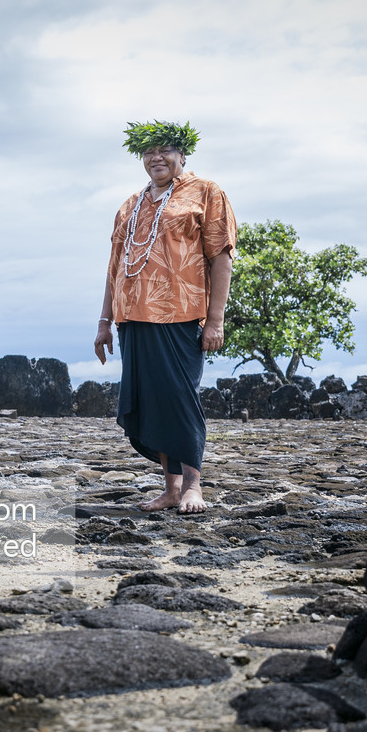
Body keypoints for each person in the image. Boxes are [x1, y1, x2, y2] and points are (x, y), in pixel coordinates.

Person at [93, 120, 236, 513]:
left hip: (181, 313)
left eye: (166, 150)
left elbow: (221, 257)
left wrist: (216, 320)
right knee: (149, 402)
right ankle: (170, 489)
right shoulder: (129, 205)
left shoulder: (206, 193)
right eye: (149, 152)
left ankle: (193, 486)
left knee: (179, 398)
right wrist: (104, 322)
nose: (157, 157)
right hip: (132, 318)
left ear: (182, 155)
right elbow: (114, 266)